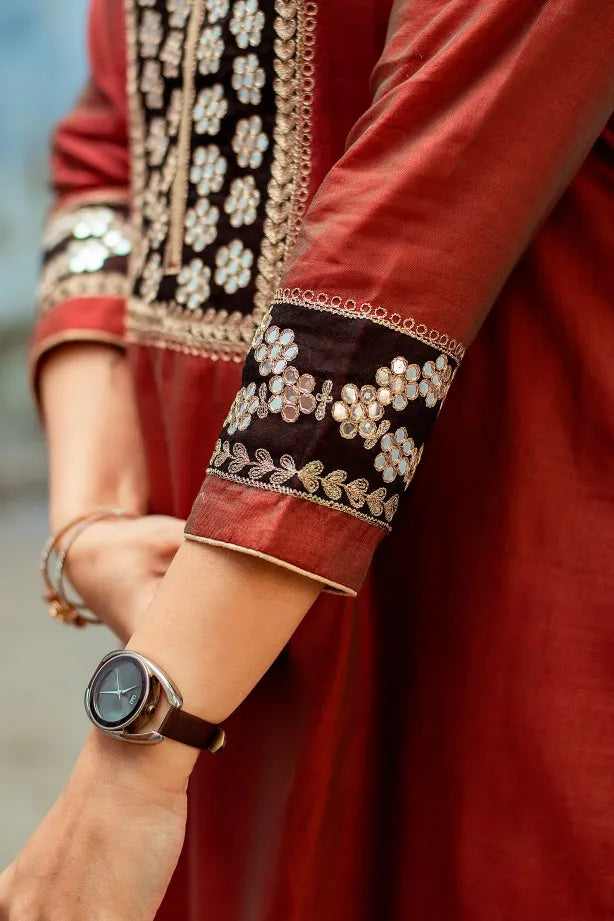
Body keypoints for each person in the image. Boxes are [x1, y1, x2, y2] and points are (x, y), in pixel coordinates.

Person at [1, 0, 613, 918]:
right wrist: (90, 527)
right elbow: (108, 145)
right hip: (204, 651)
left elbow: (405, 237)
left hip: (483, 593)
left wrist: (134, 756)